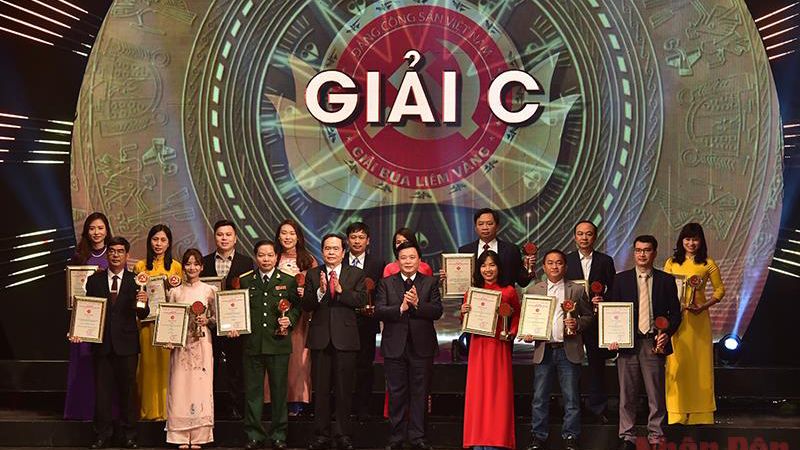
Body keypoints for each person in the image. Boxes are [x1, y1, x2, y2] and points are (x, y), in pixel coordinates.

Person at [72, 236, 149, 449]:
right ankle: (102, 435)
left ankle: (129, 435)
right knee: (102, 393)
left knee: (128, 392)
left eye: (120, 251)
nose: (116, 255)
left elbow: (143, 314)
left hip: (127, 345)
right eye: (112, 251)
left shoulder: (136, 280)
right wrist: (79, 330)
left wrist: (143, 302)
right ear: (107, 254)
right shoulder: (94, 280)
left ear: (127, 255)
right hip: (102, 345)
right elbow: (88, 310)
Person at [609, 235, 681, 450]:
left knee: (655, 394)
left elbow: (675, 314)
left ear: (654, 253)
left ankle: (656, 436)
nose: (642, 254)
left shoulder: (666, 280)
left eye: (647, 250)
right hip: (627, 345)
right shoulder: (620, 280)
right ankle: (627, 436)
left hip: (653, 343)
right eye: (638, 250)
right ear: (634, 253)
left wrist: (667, 333)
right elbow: (611, 312)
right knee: (627, 394)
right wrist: (612, 337)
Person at [374, 241, 443, 450]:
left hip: (422, 347)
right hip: (395, 347)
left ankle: (418, 437)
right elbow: (379, 310)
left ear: (419, 260)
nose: (408, 261)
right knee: (396, 394)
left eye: (412, 257)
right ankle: (396, 437)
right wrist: (401, 308)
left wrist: (417, 304)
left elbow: (437, 311)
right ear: (397, 261)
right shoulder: (386, 283)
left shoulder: (430, 282)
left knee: (420, 393)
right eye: (403, 258)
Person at [301, 233, 366, 450]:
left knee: (344, 390)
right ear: (322, 251)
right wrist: (320, 292)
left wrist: (341, 291)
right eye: (327, 248)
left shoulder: (355, 273)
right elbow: (306, 304)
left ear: (343, 252)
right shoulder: (313, 274)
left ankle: (342, 434)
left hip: (345, 339)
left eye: (335, 248)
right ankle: (321, 434)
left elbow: (361, 300)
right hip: (320, 339)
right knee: (320, 390)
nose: (331, 252)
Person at [521, 250, 592, 450]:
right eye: (550, 263)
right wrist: (528, 333)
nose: (555, 266)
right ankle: (538, 436)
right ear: (543, 267)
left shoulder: (577, 290)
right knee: (539, 397)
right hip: (544, 350)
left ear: (565, 266)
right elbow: (527, 319)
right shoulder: (534, 291)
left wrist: (577, 323)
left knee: (571, 398)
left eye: (559, 263)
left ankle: (571, 436)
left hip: (568, 350)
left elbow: (588, 317)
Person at [234, 240, 300, 450]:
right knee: (253, 393)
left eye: (270, 255)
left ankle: (279, 434)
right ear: (256, 257)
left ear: (276, 257)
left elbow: (296, 307)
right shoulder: (246, 280)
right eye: (262, 255)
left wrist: (290, 319)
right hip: (252, 344)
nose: (266, 259)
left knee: (279, 392)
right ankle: (254, 434)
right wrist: (233, 325)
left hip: (278, 344)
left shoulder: (288, 280)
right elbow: (236, 308)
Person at [664, 223, 725, 425]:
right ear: (681, 240)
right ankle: (676, 412)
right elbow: (663, 288)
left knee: (700, 366)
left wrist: (704, 305)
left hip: (698, 321)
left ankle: (702, 413)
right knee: (676, 364)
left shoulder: (707, 263)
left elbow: (720, 290)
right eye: (688, 239)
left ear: (701, 241)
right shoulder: (672, 263)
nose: (691, 243)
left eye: (695, 239)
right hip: (676, 321)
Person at [461, 250, 519, 450]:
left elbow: (517, 316)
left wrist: (511, 332)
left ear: (499, 268)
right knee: (478, 393)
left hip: (499, 347)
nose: (488, 269)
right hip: (478, 347)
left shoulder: (508, 291)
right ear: (479, 269)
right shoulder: (472, 292)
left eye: (492, 265)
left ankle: (498, 440)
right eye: (484, 265)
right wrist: (463, 312)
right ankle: (477, 440)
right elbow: (465, 322)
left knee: (498, 394)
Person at [201, 219, 253, 419]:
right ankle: (209, 408)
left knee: (235, 368)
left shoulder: (246, 262)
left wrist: (240, 324)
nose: (224, 238)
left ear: (235, 238)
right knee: (209, 367)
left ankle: (235, 408)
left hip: (235, 326)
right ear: (214, 237)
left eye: (228, 235)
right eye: (220, 234)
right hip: (210, 325)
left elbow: (248, 294)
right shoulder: (204, 262)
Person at [565, 220, 616, 423]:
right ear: (574, 237)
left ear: (595, 237)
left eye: (588, 234)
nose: (584, 238)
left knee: (597, 365)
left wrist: (603, 299)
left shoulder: (605, 261)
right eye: (580, 234)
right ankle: (574, 409)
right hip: (573, 320)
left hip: (596, 321)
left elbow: (613, 287)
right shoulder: (566, 260)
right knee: (572, 365)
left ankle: (598, 408)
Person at [165, 249, 216, 448]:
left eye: (196, 264)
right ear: (183, 267)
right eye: (188, 263)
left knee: (201, 386)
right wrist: (168, 338)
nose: (192, 268)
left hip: (202, 343)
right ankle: (179, 436)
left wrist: (207, 320)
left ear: (202, 267)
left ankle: (199, 436)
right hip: (181, 345)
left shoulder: (209, 290)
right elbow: (169, 319)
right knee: (179, 385)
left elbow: (216, 317)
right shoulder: (175, 292)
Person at [64, 212, 113, 421]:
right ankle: (82, 411)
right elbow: (73, 292)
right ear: (86, 231)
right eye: (92, 228)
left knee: (105, 369)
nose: (96, 232)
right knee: (83, 365)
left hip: (108, 320)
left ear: (107, 230)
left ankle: (107, 413)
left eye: (100, 228)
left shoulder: (113, 254)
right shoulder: (79, 257)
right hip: (84, 320)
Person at [134, 224, 183, 421]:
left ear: (169, 243)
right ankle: (148, 411)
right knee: (148, 367)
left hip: (168, 325)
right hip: (147, 324)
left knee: (167, 368)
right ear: (149, 241)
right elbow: (138, 299)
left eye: (163, 240)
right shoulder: (140, 266)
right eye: (155, 239)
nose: (159, 244)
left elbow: (179, 298)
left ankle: (167, 411)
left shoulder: (176, 267)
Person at [269, 219, 317, 415]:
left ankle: (297, 401)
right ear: (278, 236)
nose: (287, 237)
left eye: (292, 233)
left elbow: (315, 291)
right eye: (284, 233)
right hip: (274, 316)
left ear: (298, 237)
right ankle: (273, 401)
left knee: (297, 359)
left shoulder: (308, 260)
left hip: (300, 318)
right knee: (274, 359)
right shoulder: (272, 257)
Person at [343, 222, 385, 420]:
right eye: (353, 237)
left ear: (368, 241)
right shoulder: (339, 260)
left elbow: (382, 292)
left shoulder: (378, 263)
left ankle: (363, 409)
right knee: (343, 368)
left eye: (361, 237)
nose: (357, 241)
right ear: (347, 240)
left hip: (367, 323)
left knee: (365, 367)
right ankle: (343, 408)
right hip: (342, 322)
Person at [453, 208, 535, 287]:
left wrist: (527, 267)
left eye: (489, 224)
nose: (485, 228)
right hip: (474, 296)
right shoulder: (465, 251)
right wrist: (450, 276)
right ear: (475, 228)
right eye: (480, 224)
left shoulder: (511, 250)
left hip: (505, 296)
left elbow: (522, 282)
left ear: (497, 227)